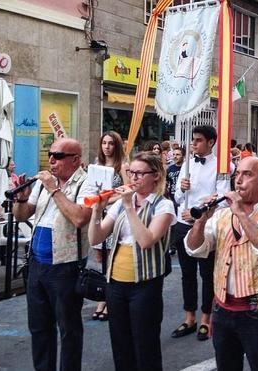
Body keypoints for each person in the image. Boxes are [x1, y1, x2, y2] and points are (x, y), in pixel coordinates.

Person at [185, 156, 258, 371]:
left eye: (247, 174)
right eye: (238, 174)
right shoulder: (221, 215)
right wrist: (200, 222)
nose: (239, 180)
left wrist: (240, 213)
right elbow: (195, 248)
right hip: (223, 311)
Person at [88, 152, 175, 371]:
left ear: (155, 176)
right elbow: (95, 238)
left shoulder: (162, 206)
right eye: (131, 172)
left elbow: (146, 241)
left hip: (145, 284)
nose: (133, 178)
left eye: (139, 173)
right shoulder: (119, 204)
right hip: (115, 281)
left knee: (146, 344)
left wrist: (129, 206)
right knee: (120, 342)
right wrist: (97, 212)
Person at [12, 138, 94, 371]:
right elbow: (22, 215)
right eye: (50, 154)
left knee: (68, 328)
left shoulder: (86, 183)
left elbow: (79, 218)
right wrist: (21, 197)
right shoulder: (44, 183)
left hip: (65, 265)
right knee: (38, 327)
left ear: (75, 159)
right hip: (37, 263)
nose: (51, 160)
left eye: (58, 156)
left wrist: (54, 189)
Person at [171, 125, 233, 341]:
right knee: (187, 274)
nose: (193, 144)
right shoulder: (186, 164)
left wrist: (199, 213)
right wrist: (182, 189)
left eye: (198, 140)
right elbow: (177, 198)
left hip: (206, 226)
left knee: (207, 275)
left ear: (211, 142)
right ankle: (189, 317)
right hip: (182, 223)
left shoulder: (222, 166)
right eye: (193, 140)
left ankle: (206, 318)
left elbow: (223, 199)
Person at [91, 131, 129, 322]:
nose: (107, 146)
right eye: (104, 143)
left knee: (111, 256)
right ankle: (103, 295)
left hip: (115, 214)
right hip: (98, 212)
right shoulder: (97, 165)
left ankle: (105, 300)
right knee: (99, 256)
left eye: (111, 143)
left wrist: (108, 200)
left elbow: (129, 191)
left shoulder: (122, 166)